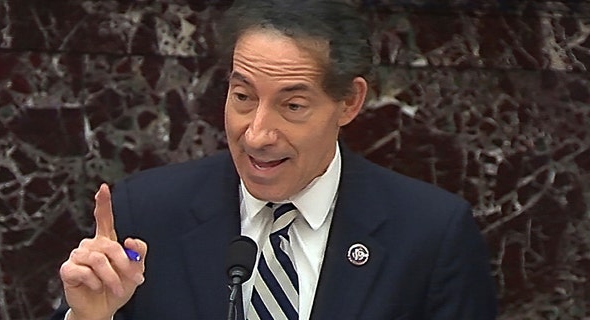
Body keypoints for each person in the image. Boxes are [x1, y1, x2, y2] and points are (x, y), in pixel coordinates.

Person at [50, 0, 498, 319]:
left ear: (348, 102)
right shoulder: (146, 214)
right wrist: (91, 317)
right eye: (243, 96)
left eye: (293, 106)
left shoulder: (431, 236)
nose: (257, 134)